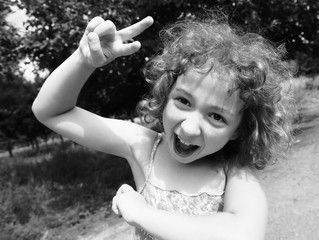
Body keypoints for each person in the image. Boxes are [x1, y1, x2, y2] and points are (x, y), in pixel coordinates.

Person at [32, 11, 295, 240]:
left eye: (217, 116)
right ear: (165, 95)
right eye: (183, 101)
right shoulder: (144, 146)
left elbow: (241, 234)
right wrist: (83, 60)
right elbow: (51, 112)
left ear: (239, 128)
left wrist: (142, 213)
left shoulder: (234, 172)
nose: (190, 128)